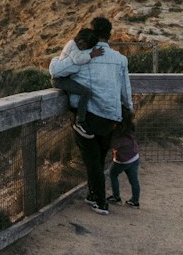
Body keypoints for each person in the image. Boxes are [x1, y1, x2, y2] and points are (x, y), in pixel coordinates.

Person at [51, 15, 133, 214]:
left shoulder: (85, 57)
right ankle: (92, 194)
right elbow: (125, 90)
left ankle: (100, 201)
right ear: (109, 34)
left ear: (93, 34)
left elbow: (56, 71)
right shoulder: (120, 59)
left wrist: (57, 58)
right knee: (100, 156)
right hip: (111, 117)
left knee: (91, 159)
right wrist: (128, 110)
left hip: (88, 116)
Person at [48, 26, 99, 127]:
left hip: (65, 78)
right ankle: (80, 120)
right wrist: (91, 55)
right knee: (86, 92)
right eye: (81, 44)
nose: (82, 47)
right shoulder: (72, 44)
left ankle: (75, 116)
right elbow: (78, 60)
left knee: (72, 99)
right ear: (79, 39)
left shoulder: (75, 45)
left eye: (85, 47)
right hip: (59, 80)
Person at [108, 120, 141, 208]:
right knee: (134, 180)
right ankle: (135, 201)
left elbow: (111, 145)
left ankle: (116, 197)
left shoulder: (118, 136)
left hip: (122, 161)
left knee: (113, 174)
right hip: (134, 157)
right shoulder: (130, 132)